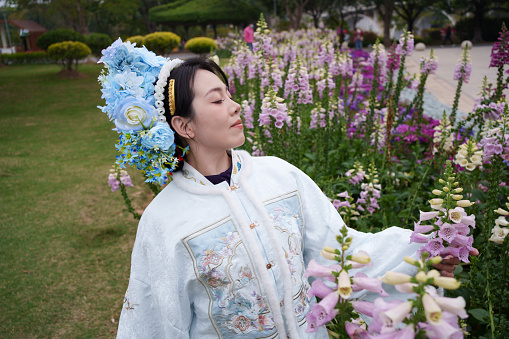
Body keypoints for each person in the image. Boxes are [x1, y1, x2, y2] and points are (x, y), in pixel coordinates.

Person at [112, 55, 467, 337]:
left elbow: (336, 251)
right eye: (217, 100)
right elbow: (157, 322)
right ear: (185, 127)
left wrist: (423, 250)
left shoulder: (279, 176)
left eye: (230, 94)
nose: (236, 106)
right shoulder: (164, 221)